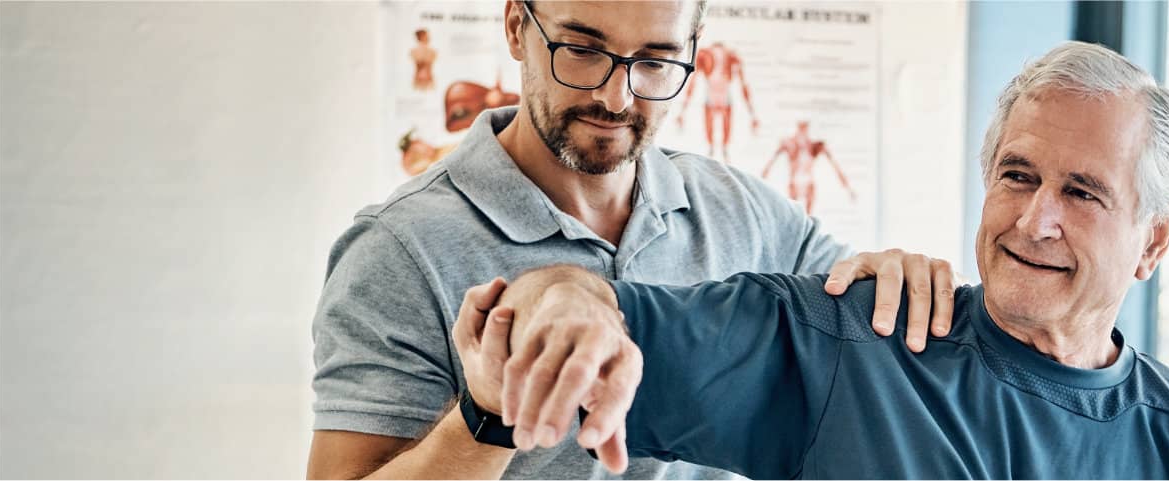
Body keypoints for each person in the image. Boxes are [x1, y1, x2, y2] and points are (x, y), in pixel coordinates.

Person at [465, 41, 1169, 479]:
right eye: (1017, 175)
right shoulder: (858, 338)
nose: (1036, 218)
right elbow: (592, 307)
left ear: (1153, 239)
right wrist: (563, 302)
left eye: (1082, 193)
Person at [306, 1, 956, 479]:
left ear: (692, 51)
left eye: (653, 61)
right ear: (515, 27)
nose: (615, 96)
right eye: (582, 49)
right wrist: (488, 414)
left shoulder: (748, 214)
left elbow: (859, 344)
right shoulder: (398, 247)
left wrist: (894, 279)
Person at [675, 41, 758, 162]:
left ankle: (721, 153)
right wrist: (752, 115)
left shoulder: (728, 56)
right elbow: (743, 84)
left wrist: (683, 112)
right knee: (715, 147)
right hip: (718, 98)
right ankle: (720, 153)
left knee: (719, 147)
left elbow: (693, 83)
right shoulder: (721, 55)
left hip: (718, 98)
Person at [761, 120, 854, 213]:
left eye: (804, 127)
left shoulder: (816, 145)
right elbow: (769, 165)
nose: (802, 130)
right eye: (801, 127)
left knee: (807, 217)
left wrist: (848, 189)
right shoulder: (789, 143)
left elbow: (835, 167)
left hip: (808, 183)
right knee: (795, 216)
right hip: (795, 182)